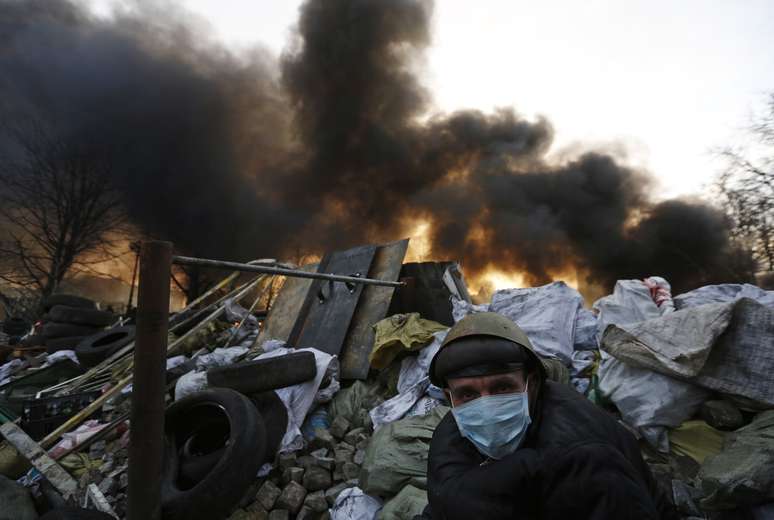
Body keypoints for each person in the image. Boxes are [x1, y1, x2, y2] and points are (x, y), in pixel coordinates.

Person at [420, 312, 678, 520]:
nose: (486, 406)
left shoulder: (585, 454)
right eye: (468, 393)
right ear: (449, 396)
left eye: (502, 388)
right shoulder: (453, 431)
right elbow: (447, 503)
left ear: (531, 384)